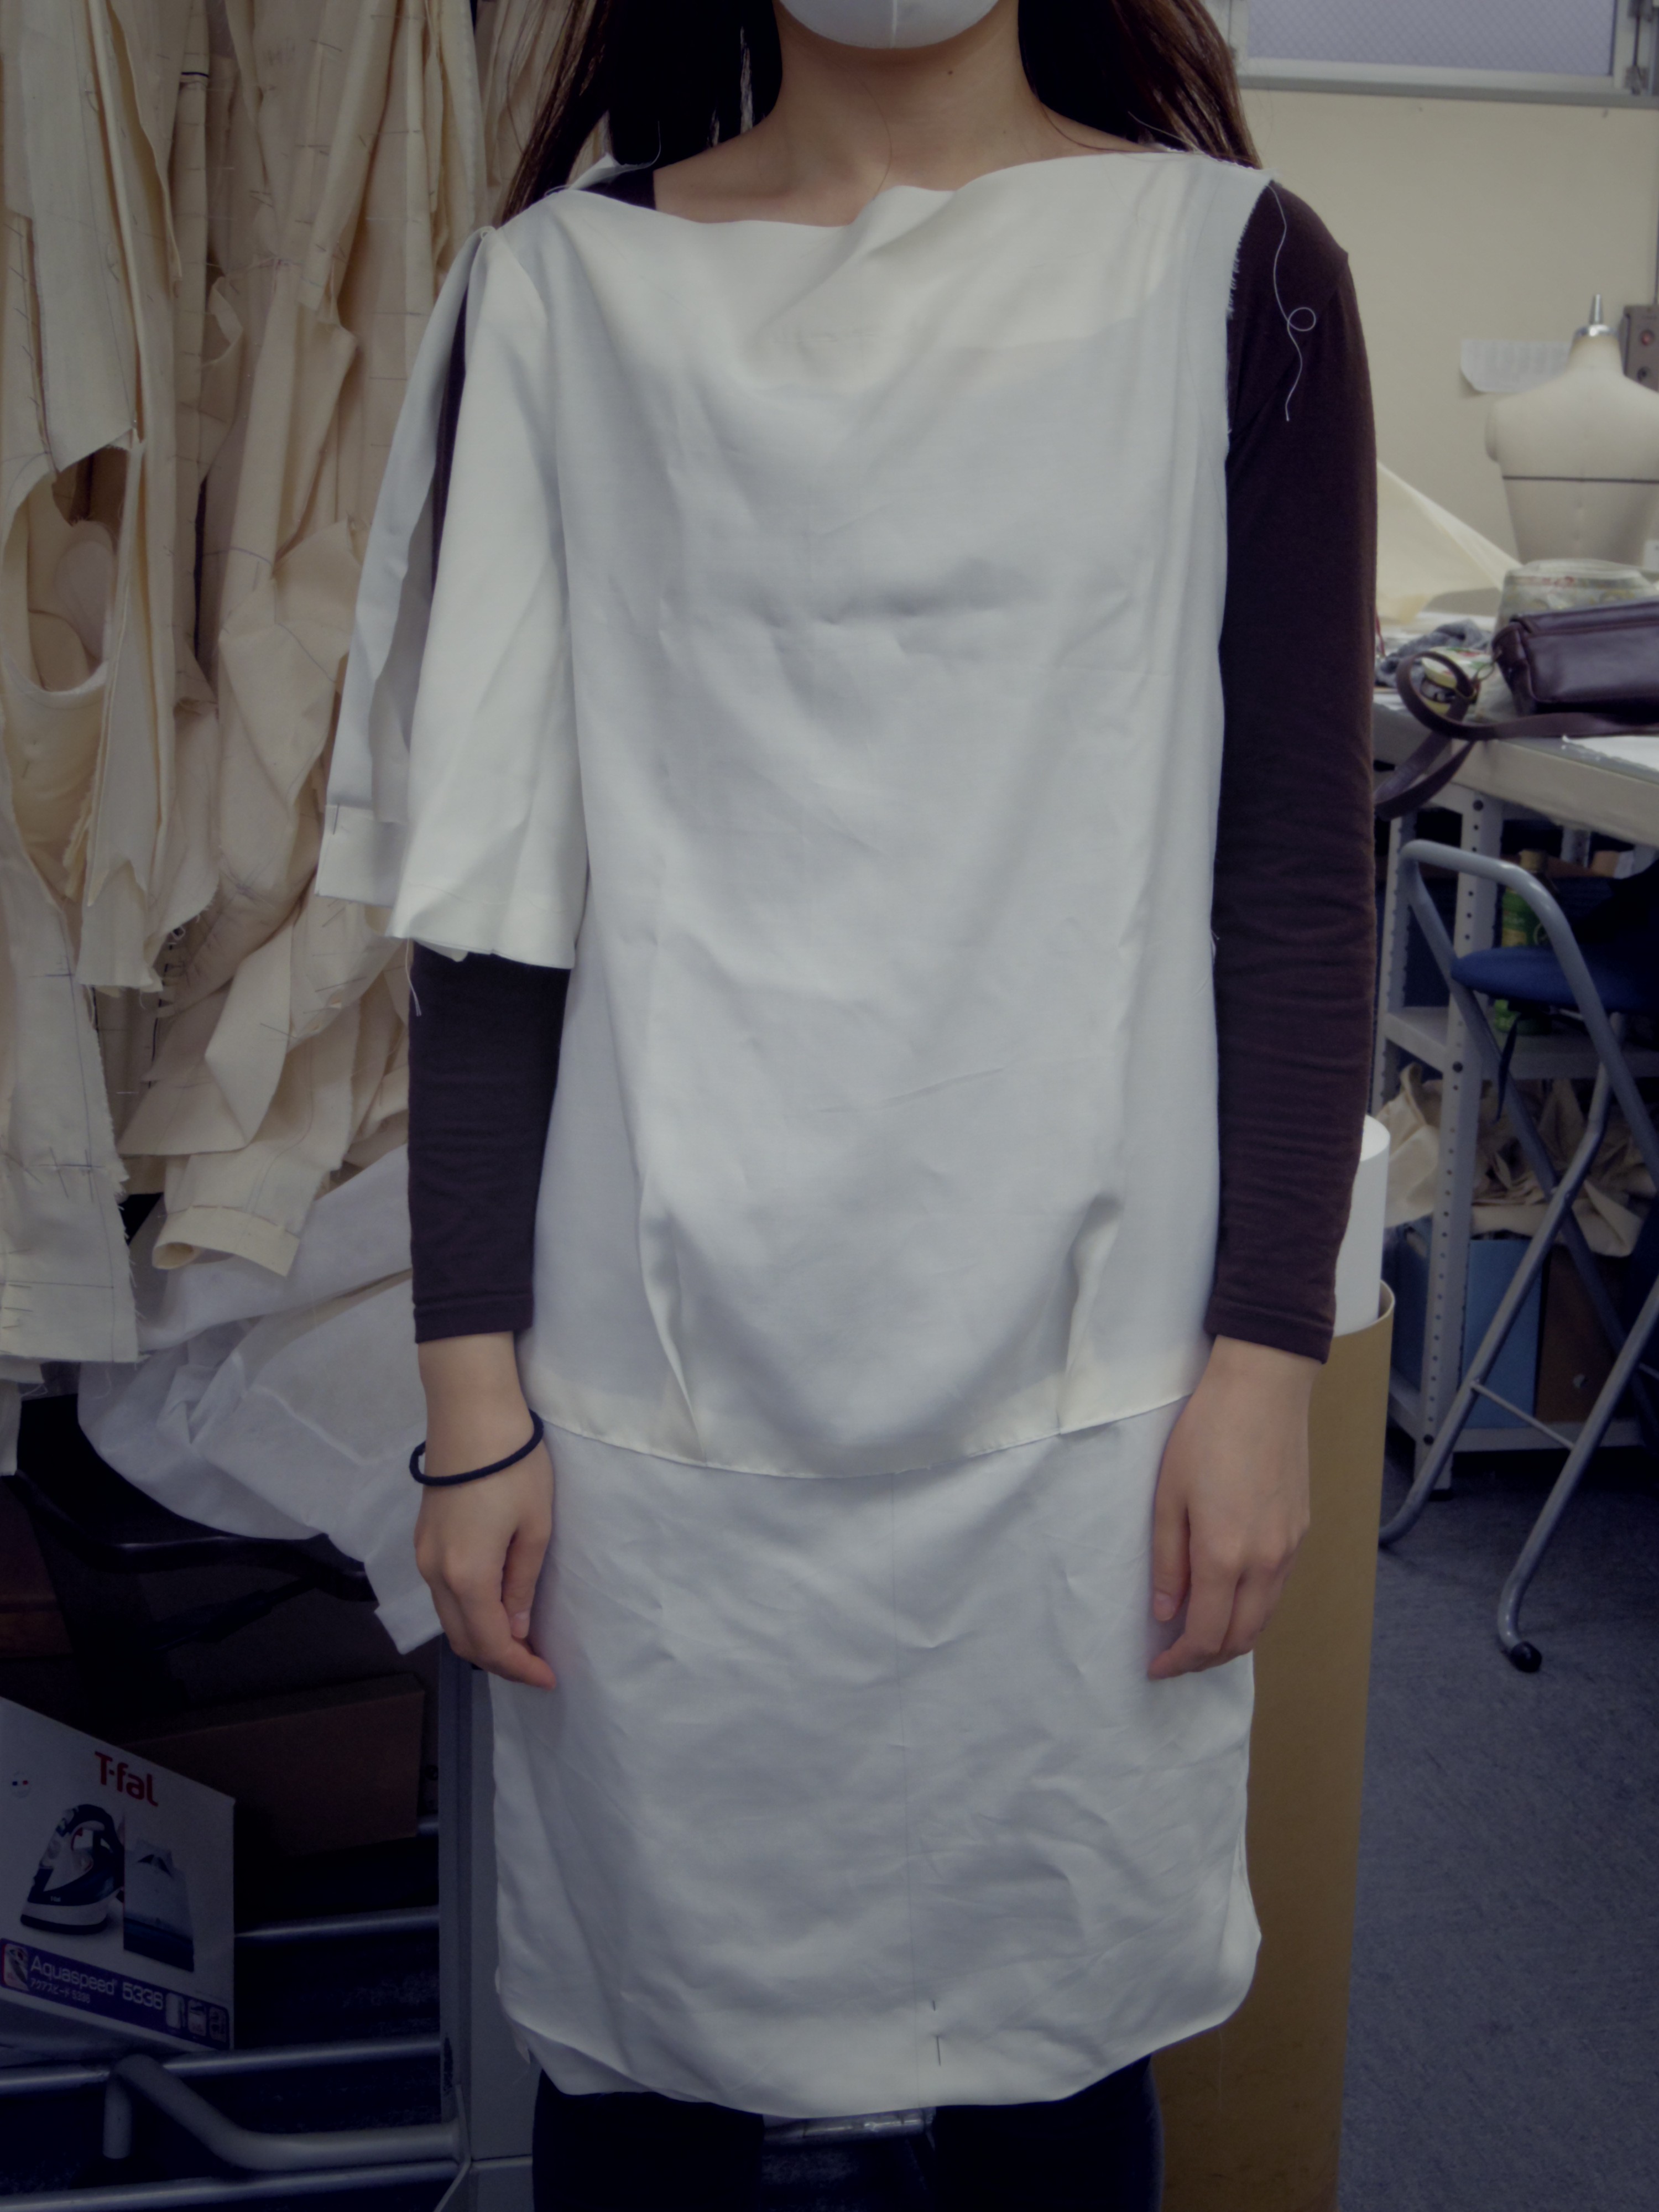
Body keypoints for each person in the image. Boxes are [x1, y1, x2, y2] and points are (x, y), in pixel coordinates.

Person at [317, 2, 1377, 2204]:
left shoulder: (1239, 274)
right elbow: (492, 918)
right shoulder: (560, 300)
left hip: (1091, 1388)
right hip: (656, 1383)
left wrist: (1265, 1367)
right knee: (648, 2083)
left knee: (1047, 2076)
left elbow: (1290, 870)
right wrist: (470, 1408)